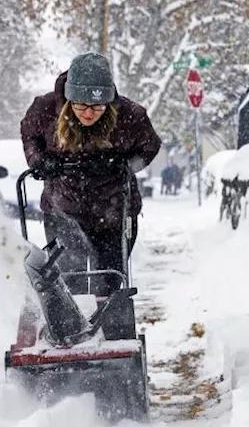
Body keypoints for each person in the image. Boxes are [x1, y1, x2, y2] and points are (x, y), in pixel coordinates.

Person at [20, 52, 162, 295]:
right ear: (68, 100)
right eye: (81, 106)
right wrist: (40, 161)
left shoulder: (131, 116)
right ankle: (71, 329)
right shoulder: (44, 110)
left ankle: (109, 325)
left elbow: (150, 147)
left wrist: (124, 165)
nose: (88, 114)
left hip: (114, 211)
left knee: (108, 280)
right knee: (68, 279)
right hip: (62, 209)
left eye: (97, 107)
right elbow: (29, 134)